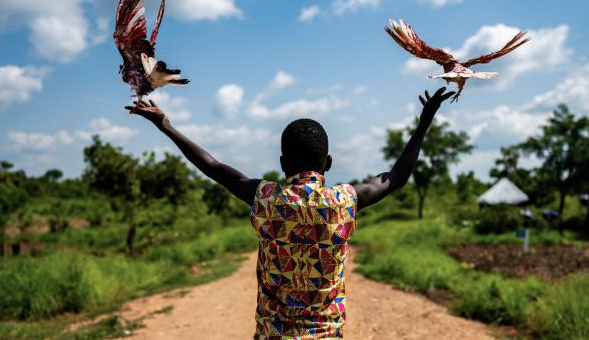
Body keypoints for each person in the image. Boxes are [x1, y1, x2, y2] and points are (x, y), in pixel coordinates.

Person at [125, 87, 455, 339]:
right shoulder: (344, 200)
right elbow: (395, 177)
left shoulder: (265, 198)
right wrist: (424, 123)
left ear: (283, 164)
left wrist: (166, 126)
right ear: (328, 163)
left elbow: (212, 166)